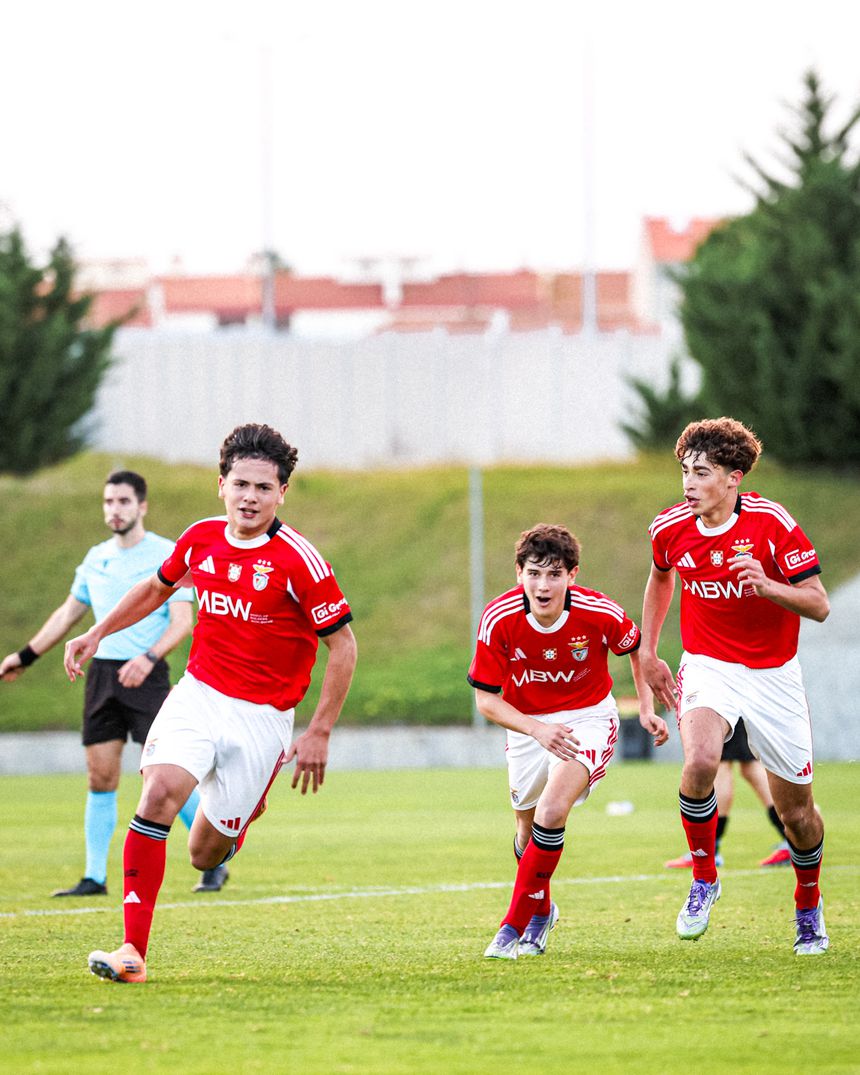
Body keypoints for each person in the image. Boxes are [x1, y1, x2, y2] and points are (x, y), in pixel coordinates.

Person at [64, 423, 357, 984]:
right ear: (220, 484)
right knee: (157, 795)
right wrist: (97, 632)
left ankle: (239, 820)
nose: (250, 497)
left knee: (204, 854)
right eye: (240, 484)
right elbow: (156, 589)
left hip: (263, 717)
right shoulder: (200, 538)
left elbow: (343, 645)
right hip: (198, 695)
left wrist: (319, 731)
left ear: (282, 493)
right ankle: (132, 951)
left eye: (264, 488)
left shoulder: (301, 561)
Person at [641, 417, 830, 955]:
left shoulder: (772, 523)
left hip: (774, 676)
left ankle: (808, 904)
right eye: (685, 471)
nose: (688, 482)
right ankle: (704, 878)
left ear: (734, 478)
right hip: (708, 665)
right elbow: (660, 577)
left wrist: (768, 586)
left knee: (797, 814)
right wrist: (651, 652)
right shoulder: (670, 527)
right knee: (700, 762)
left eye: (702, 472)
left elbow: (818, 603)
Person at [468, 524, 669, 960]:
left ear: (572, 576)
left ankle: (512, 928)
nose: (544, 585)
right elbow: (485, 699)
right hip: (528, 725)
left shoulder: (598, 611)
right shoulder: (498, 619)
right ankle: (543, 908)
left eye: (555, 574)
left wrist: (648, 708)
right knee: (525, 827)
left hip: (588, 719)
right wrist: (537, 729)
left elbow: (633, 646)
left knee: (552, 809)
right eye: (535, 573)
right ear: (519, 573)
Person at [0, 471, 202, 896]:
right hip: (102, 675)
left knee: (165, 777)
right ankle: (94, 876)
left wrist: (148, 659)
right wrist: (25, 656)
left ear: (142, 505)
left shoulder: (168, 553)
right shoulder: (96, 557)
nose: (115, 509)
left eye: (124, 501)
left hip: (148, 675)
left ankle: (215, 857)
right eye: (108, 501)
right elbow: (67, 614)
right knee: (100, 776)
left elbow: (184, 622)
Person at [663, 717, 790, 868]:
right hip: (741, 700)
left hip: (725, 702)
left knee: (722, 763)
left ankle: (710, 849)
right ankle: (793, 837)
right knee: (748, 765)